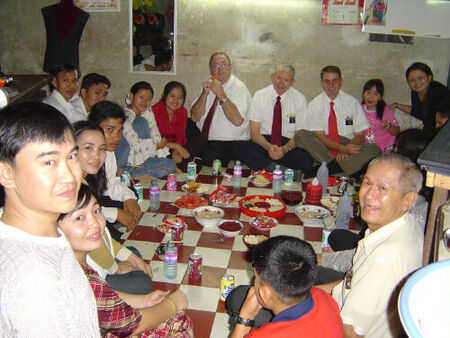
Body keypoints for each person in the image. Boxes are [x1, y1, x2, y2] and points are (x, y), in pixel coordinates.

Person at [0, 102, 99, 336]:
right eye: (48, 162)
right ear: (6, 173)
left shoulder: (41, 235)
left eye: (71, 156)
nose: (69, 175)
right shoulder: (34, 279)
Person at [58, 184, 194, 337]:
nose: (95, 223)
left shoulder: (74, 264)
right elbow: (133, 325)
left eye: (96, 211)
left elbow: (101, 297)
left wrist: (145, 300)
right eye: (79, 218)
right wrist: (172, 304)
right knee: (180, 323)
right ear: (54, 227)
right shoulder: (74, 277)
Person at [318, 153, 424, 337]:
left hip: (341, 327)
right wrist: (310, 294)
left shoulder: (385, 259)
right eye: (367, 183)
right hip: (345, 301)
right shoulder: (405, 223)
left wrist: (299, 311)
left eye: (383, 188)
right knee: (301, 274)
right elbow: (353, 282)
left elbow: (349, 332)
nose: (369, 195)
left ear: (408, 200)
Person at [73, 120, 153, 294]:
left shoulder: (84, 181)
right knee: (142, 283)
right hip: (84, 271)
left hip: (96, 253)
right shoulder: (73, 191)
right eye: (88, 148)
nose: (97, 156)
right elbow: (93, 242)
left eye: (101, 149)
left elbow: (102, 234)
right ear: (71, 149)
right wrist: (115, 268)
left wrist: (127, 256)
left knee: (133, 253)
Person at [228, 236, 343, 338]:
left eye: (256, 278)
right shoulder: (324, 296)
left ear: (264, 295)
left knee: (237, 300)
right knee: (237, 296)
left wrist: (245, 318)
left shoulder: (264, 335)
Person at [295, 65, 381, 177]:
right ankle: (339, 169)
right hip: (323, 146)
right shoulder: (314, 105)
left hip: (348, 143)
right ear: (321, 83)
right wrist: (341, 149)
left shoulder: (352, 103)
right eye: (327, 81)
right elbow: (320, 137)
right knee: (301, 135)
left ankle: (328, 170)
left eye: (335, 81)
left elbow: (360, 135)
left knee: (374, 150)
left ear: (341, 82)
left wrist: (346, 149)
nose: (331, 85)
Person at [239, 64, 313, 174]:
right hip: (264, 142)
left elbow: (299, 135)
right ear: (272, 76)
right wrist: (269, 148)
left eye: (286, 80)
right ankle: (278, 168)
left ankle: (267, 165)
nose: (281, 84)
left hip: (288, 144)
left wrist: (283, 150)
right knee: (240, 148)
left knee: (306, 160)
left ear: (292, 82)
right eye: (278, 78)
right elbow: (254, 133)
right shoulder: (260, 95)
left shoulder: (300, 99)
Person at [88, 100, 142, 240]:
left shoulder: (108, 152)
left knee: (131, 193)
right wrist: (116, 213)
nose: (116, 137)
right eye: (110, 130)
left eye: (119, 131)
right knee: (107, 232)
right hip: (82, 209)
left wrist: (128, 199)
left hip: (99, 199)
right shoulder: (83, 156)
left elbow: (111, 183)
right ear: (94, 128)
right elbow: (77, 205)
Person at [191, 52, 252, 166]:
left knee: (209, 164)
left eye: (224, 65)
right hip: (207, 141)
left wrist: (221, 94)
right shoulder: (207, 85)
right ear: (210, 69)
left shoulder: (239, 88)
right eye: (216, 66)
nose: (220, 69)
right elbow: (194, 117)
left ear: (230, 68)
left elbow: (237, 120)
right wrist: (203, 95)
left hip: (233, 142)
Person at [116, 81, 176, 178]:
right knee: (141, 123)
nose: (144, 102)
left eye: (148, 99)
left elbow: (155, 133)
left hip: (142, 157)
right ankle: (123, 171)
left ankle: (130, 173)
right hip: (125, 159)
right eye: (141, 97)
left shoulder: (147, 113)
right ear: (131, 96)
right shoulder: (123, 115)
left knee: (170, 164)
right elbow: (133, 141)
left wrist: (158, 144)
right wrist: (156, 145)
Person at [153, 81, 204, 171]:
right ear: (164, 95)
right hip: (158, 147)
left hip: (175, 145)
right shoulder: (154, 112)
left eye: (180, 98)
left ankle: (175, 164)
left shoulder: (182, 111)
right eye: (172, 96)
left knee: (197, 139)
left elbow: (180, 136)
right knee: (160, 157)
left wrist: (176, 151)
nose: (176, 101)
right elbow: (154, 141)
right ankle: (172, 165)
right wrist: (176, 147)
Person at [392, 62, 450, 133]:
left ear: (429, 78)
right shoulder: (415, 92)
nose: (417, 82)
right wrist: (397, 105)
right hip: (428, 130)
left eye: (420, 78)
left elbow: (443, 122)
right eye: (412, 80)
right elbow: (417, 112)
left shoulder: (440, 92)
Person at [361, 79, 399, 154]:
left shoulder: (386, 110)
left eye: (375, 94)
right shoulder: (359, 109)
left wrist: (389, 126)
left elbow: (397, 131)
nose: (370, 97)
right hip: (367, 148)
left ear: (380, 97)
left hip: (384, 148)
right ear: (363, 94)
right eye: (368, 93)